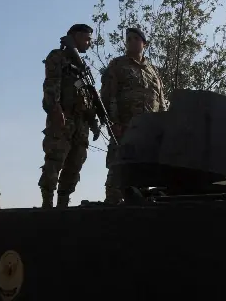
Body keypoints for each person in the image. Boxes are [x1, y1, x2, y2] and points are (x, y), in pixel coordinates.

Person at [100, 27, 168, 204]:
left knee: (143, 169)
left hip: (149, 129)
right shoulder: (117, 65)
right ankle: (112, 204)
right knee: (118, 167)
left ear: (144, 43)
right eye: (128, 39)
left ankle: (138, 204)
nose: (131, 42)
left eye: (135, 39)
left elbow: (161, 100)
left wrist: (164, 126)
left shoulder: (153, 70)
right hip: (125, 125)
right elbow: (108, 95)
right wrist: (114, 121)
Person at [39, 23, 100, 208]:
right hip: (64, 117)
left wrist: (93, 120)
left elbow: (86, 94)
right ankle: (47, 204)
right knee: (55, 160)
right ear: (76, 36)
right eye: (87, 39)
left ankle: (63, 204)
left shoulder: (81, 66)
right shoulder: (58, 57)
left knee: (75, 164)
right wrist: (55, 109)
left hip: (81, 122)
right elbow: (51, 84)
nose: (89, 43)